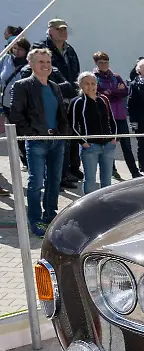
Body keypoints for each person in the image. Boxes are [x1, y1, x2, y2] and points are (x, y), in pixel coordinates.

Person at [9, 48, 70, 236]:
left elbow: (61, 114)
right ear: (31, 64)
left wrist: (62, 134)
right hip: (36, 141)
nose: (45, 65)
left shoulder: (54, 86)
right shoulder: (22, 85)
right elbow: (16, 114)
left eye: (48, 62)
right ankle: (35, 220)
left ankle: (50, 215)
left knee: (54, 180)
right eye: (41, 62)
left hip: (56, 141)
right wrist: (32, 134)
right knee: (36, 182)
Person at [35, 18, 82, 190]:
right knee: (57, 139)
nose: (63, 32)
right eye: (58, 29)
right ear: (50, 30)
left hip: (70, 97)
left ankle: (71, 169)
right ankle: (59, 176)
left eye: (64, 29)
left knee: (71, 135)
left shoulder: (70, 50)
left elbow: (76, 71)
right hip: (51, 97)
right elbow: (41, 73)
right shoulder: (41, 48)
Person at [92, 51, 141, 180]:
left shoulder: (116, 76)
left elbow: (125, 91)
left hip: (120, 115)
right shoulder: (94, 77)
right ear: (96, 63)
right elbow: (99, 93)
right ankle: (112, 170)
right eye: (100, 62)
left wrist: (111, 92)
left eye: (106, 62)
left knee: (126, 145)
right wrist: (115, 91)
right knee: (109, 146)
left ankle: (134, 172)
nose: (104, 64)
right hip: (106, 116)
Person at [70, 72, 117, 194]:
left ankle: (107, 205)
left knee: (107, 180)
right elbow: (73, 125)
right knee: (90, 179)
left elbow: (111, 119)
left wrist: (114, 138)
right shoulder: (77, 102)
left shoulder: (104, 99)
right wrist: (83, 142)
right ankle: (89, 208)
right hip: (91, 147)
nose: (90, 86)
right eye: (86, 84)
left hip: (108, 145)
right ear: (80, 85)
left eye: (93, 83)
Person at [0, 37, 31, 167]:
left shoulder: (29, 63)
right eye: (15, 48)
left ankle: (28, 160)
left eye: (21, 49)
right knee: (12, 133)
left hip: (23, 105)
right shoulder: (5, 59)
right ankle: (23, 158)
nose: (17, 51)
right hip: (6, 103)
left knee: (23, 132)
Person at [128, 59, 144, 175]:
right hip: (141, 118)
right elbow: (131, 104)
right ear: (139, 70)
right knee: (142, 145)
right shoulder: (134, 84)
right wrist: (133, 121)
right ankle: (143, 169)